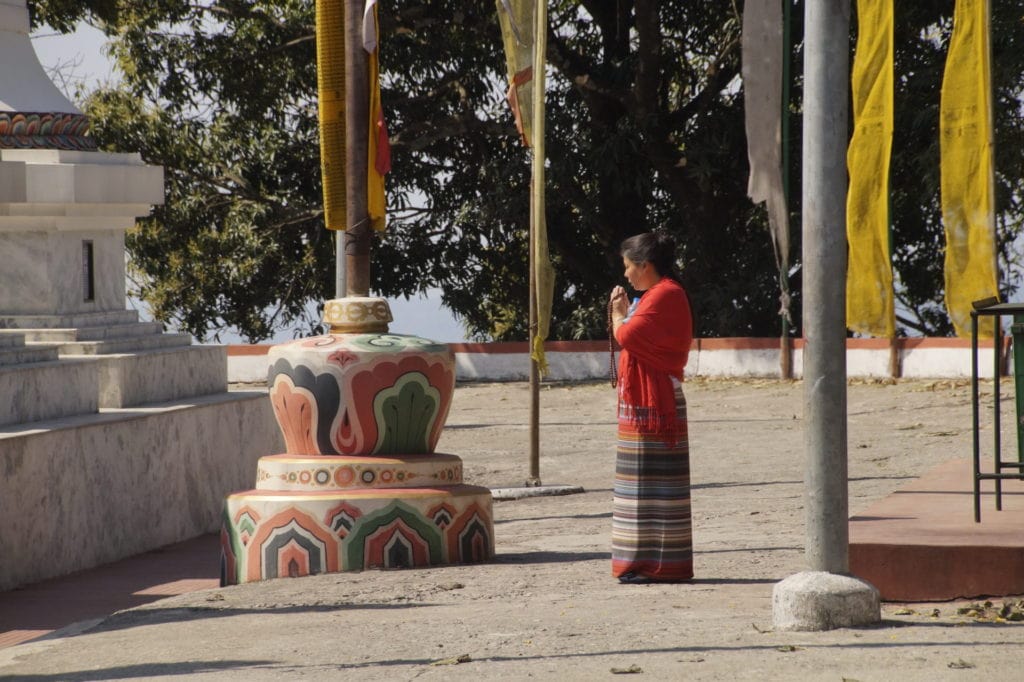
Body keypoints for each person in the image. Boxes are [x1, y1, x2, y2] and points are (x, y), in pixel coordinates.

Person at [608, 231, 694, 584]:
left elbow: (627, 336)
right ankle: (639, 562)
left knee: (656, 487)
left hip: (656, 403)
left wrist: (617, 315)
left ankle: (659, 565)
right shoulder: (652, 297)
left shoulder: (667, 295)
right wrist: (627, 314)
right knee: (639, 485)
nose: (626, 274)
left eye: (629, 267)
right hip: (643, 401)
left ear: (644, 266)